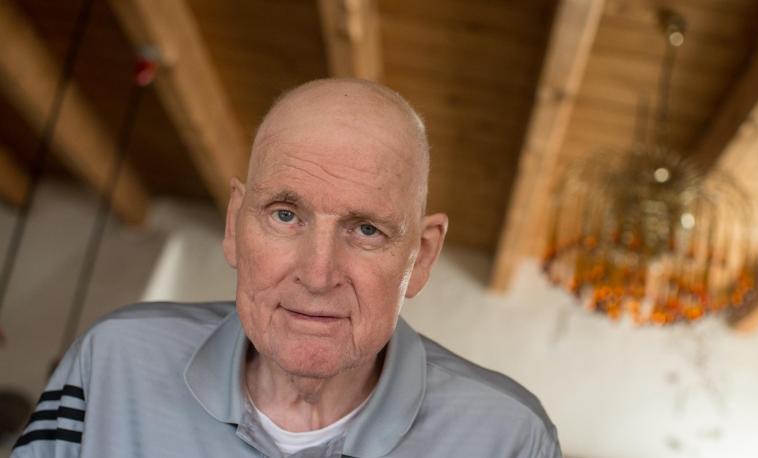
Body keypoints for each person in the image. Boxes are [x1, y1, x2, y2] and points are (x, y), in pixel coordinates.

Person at [12, 79, 561, 457]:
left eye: (366, 229)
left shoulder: (509, 438)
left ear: (421, 257)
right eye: (285, 215)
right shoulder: (110, 364)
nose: (317, 274)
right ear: (235, 225)